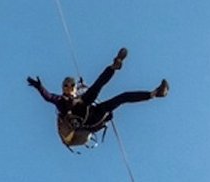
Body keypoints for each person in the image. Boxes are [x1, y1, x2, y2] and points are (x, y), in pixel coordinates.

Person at [27, 47, 168, 149]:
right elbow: (48, 97)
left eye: (71, 85)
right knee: (93, 94)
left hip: (92, 112)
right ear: (63, 88)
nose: (69, 88)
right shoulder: (61, 101)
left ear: (75, 88)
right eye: (66, 86)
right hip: (87, 120)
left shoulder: (80, 98)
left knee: (115, 95)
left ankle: (154, 93)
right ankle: (114, 67)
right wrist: (39, 87)